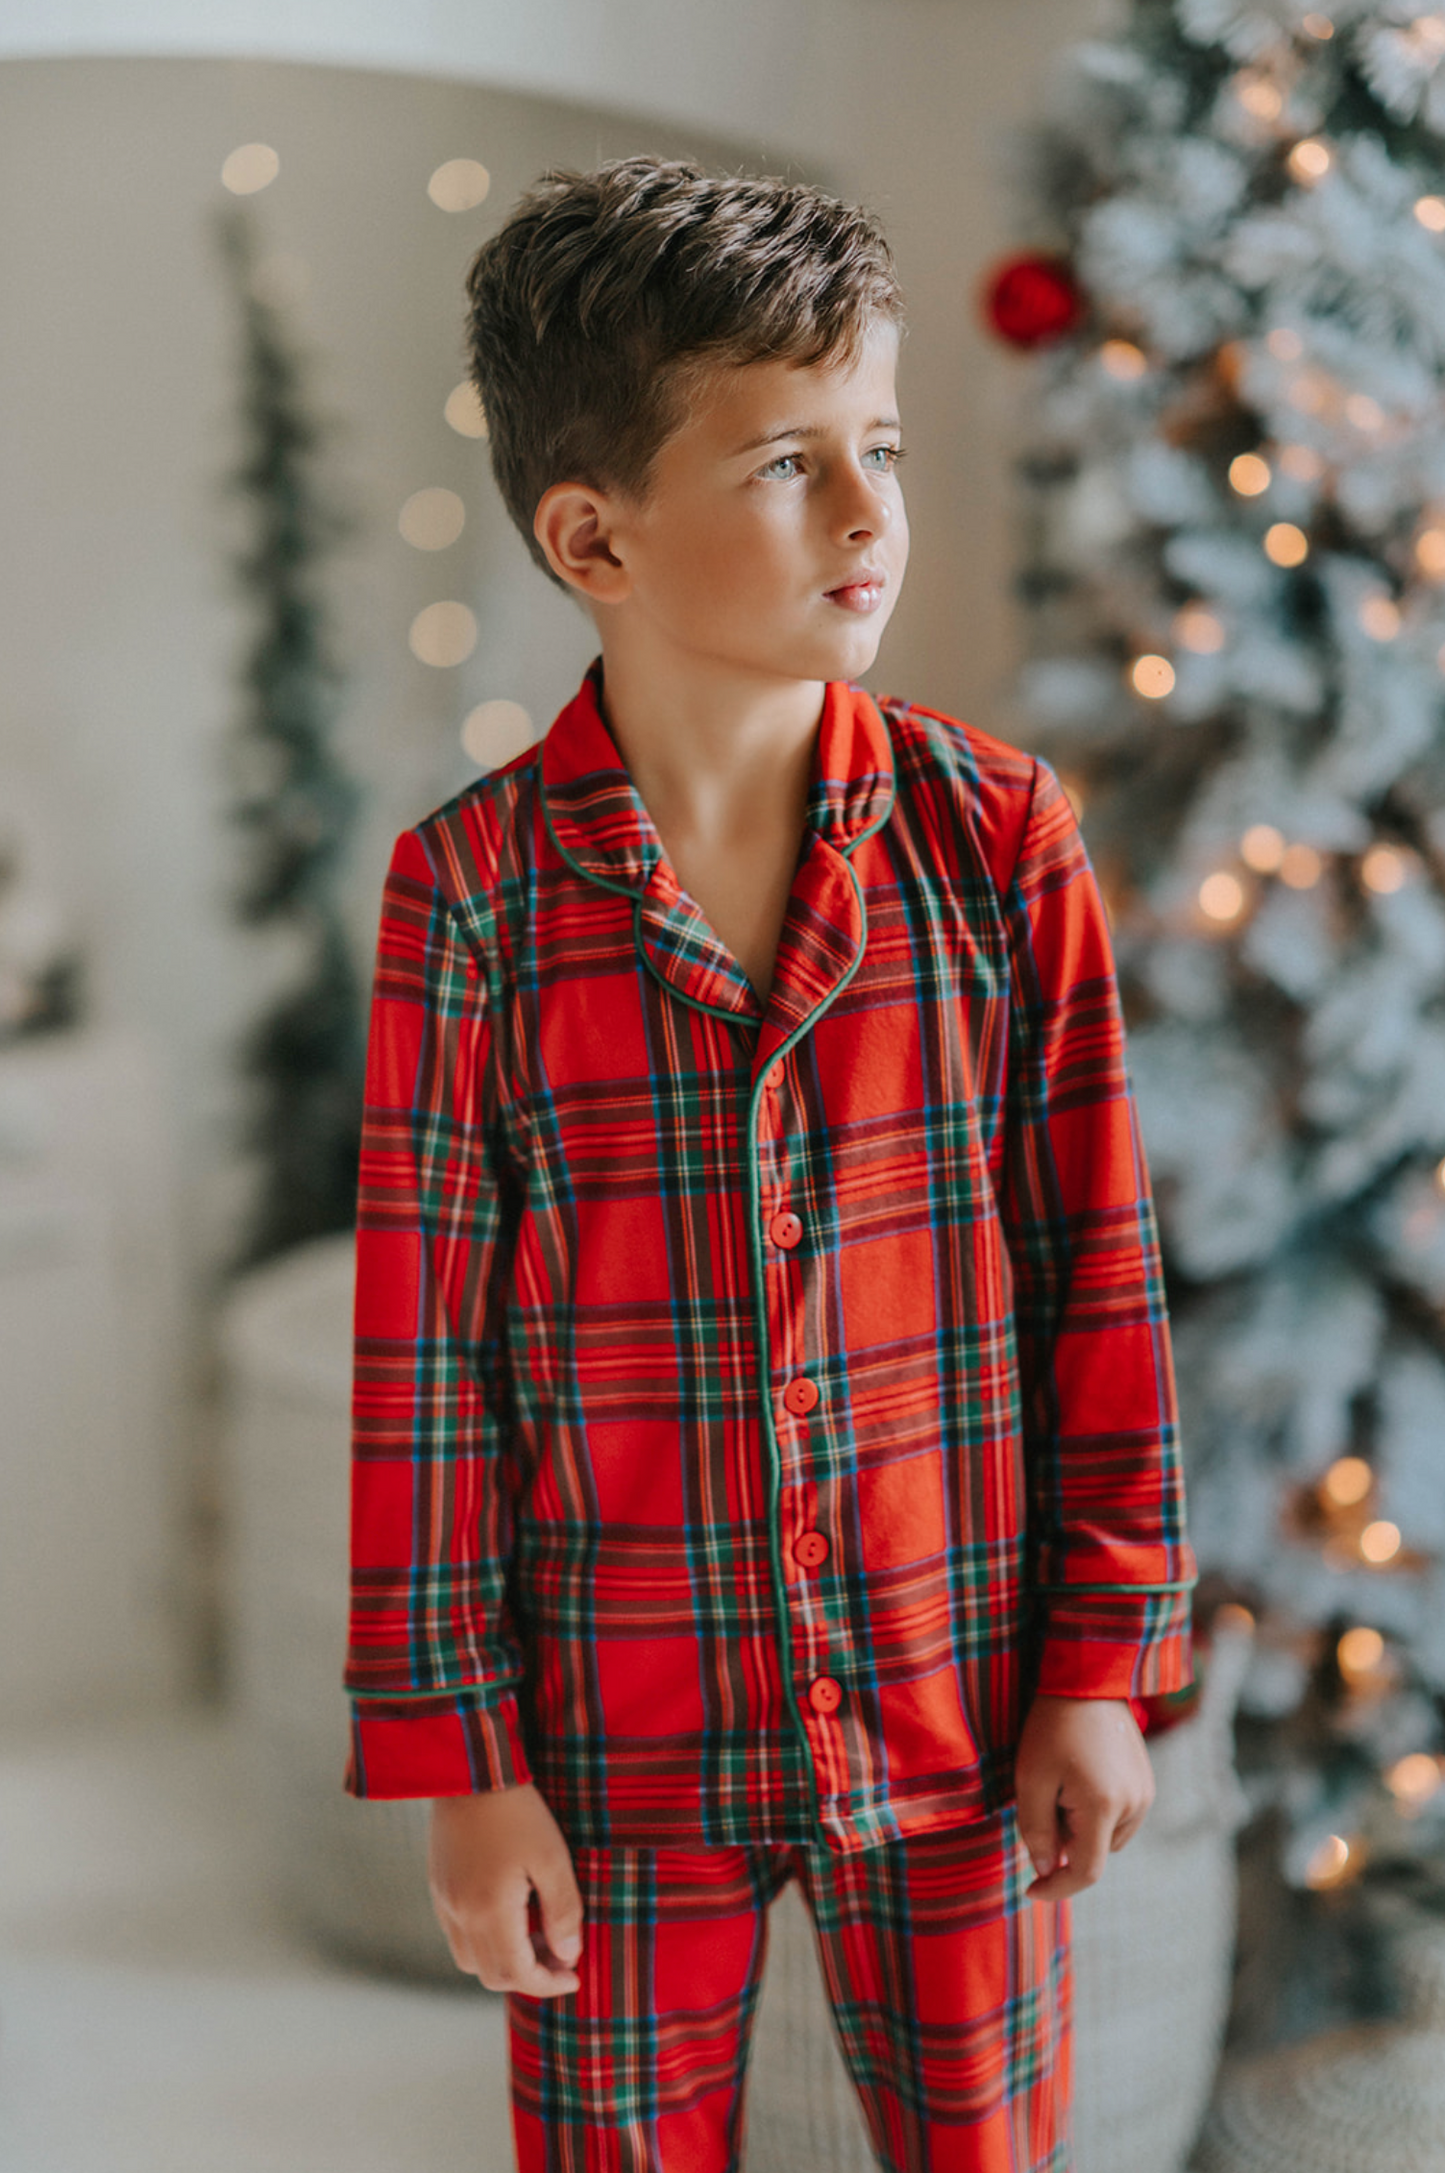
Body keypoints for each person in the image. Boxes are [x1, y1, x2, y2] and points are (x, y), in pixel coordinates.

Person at [342, 155, 1197, 2173]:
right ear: (589, 535)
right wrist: (466, 1768)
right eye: (783, 463)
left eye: (878, 445)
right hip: (617, 1744)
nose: (868, 512)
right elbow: (424, 1380)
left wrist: (1099, 1664)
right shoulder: (464, 901)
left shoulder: (998, 846)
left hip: (954, 1718)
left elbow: (1098, 1278)